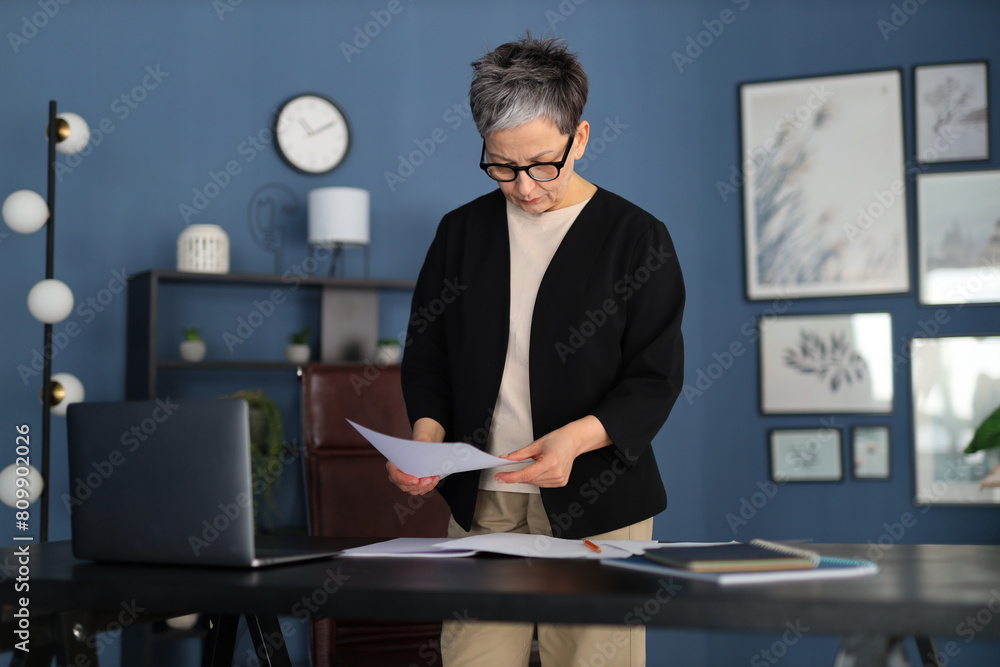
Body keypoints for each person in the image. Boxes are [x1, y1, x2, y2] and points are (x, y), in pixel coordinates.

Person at [391, 33, 685, 667]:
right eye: (502, 166)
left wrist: (574, 442)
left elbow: (654, 379)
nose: (523, 187)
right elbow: (427, 355)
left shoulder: (637, 238)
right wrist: (427, 439)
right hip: (483, 497)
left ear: (579, 138)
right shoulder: (460, 232)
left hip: (600, 501)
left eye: (542, 164)